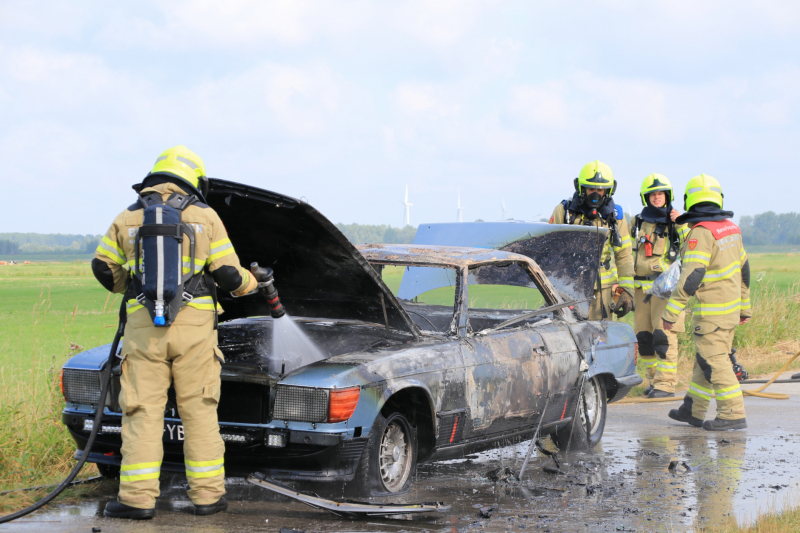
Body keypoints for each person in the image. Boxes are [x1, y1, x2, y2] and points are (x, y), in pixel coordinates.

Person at [92, 146, 257, 519]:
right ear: (193, 180)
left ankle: (136, 500)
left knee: (142, 412)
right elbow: (229, 277)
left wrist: (130, 287)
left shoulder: (128, 216)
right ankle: (208, 497)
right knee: (199, 411)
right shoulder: (205, 215)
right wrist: (252, 283)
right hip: (195, 332)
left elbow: (103, 268)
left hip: (143, 331)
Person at [663, 174, 751, 431]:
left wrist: (671, 313)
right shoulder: (731, 229)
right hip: (729, 311)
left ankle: (733, 413)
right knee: (705, 359)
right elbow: (744, 270)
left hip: (712, 313)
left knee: (715, 361)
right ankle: (694, 408)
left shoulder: (701, 232)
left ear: (690, 200)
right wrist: (745, 306)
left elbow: (691, 276)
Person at [549, 160, 634, 320]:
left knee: (600, 341)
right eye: (591, 188)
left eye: (600, 190)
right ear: (581, 188)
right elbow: (549, 253)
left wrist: (627, 290)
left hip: (603, 294)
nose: (596, 194)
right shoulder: (564, 211)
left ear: (609, 190)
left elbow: (624, 256)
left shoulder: (616, 217)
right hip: (569, 291)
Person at [630, 174, 689, 398]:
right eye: (653, 194)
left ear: (668, 196)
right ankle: (653, 380)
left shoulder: (678, 221)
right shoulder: (636, 223)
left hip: (665, 290)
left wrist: (680, 223)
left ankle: (666, 384)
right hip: (641, 290)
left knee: (664, 336)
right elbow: (625, 253)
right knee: (644, 338)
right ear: (646, 197)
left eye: (661, 194)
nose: (657, 198)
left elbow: (692, 246)